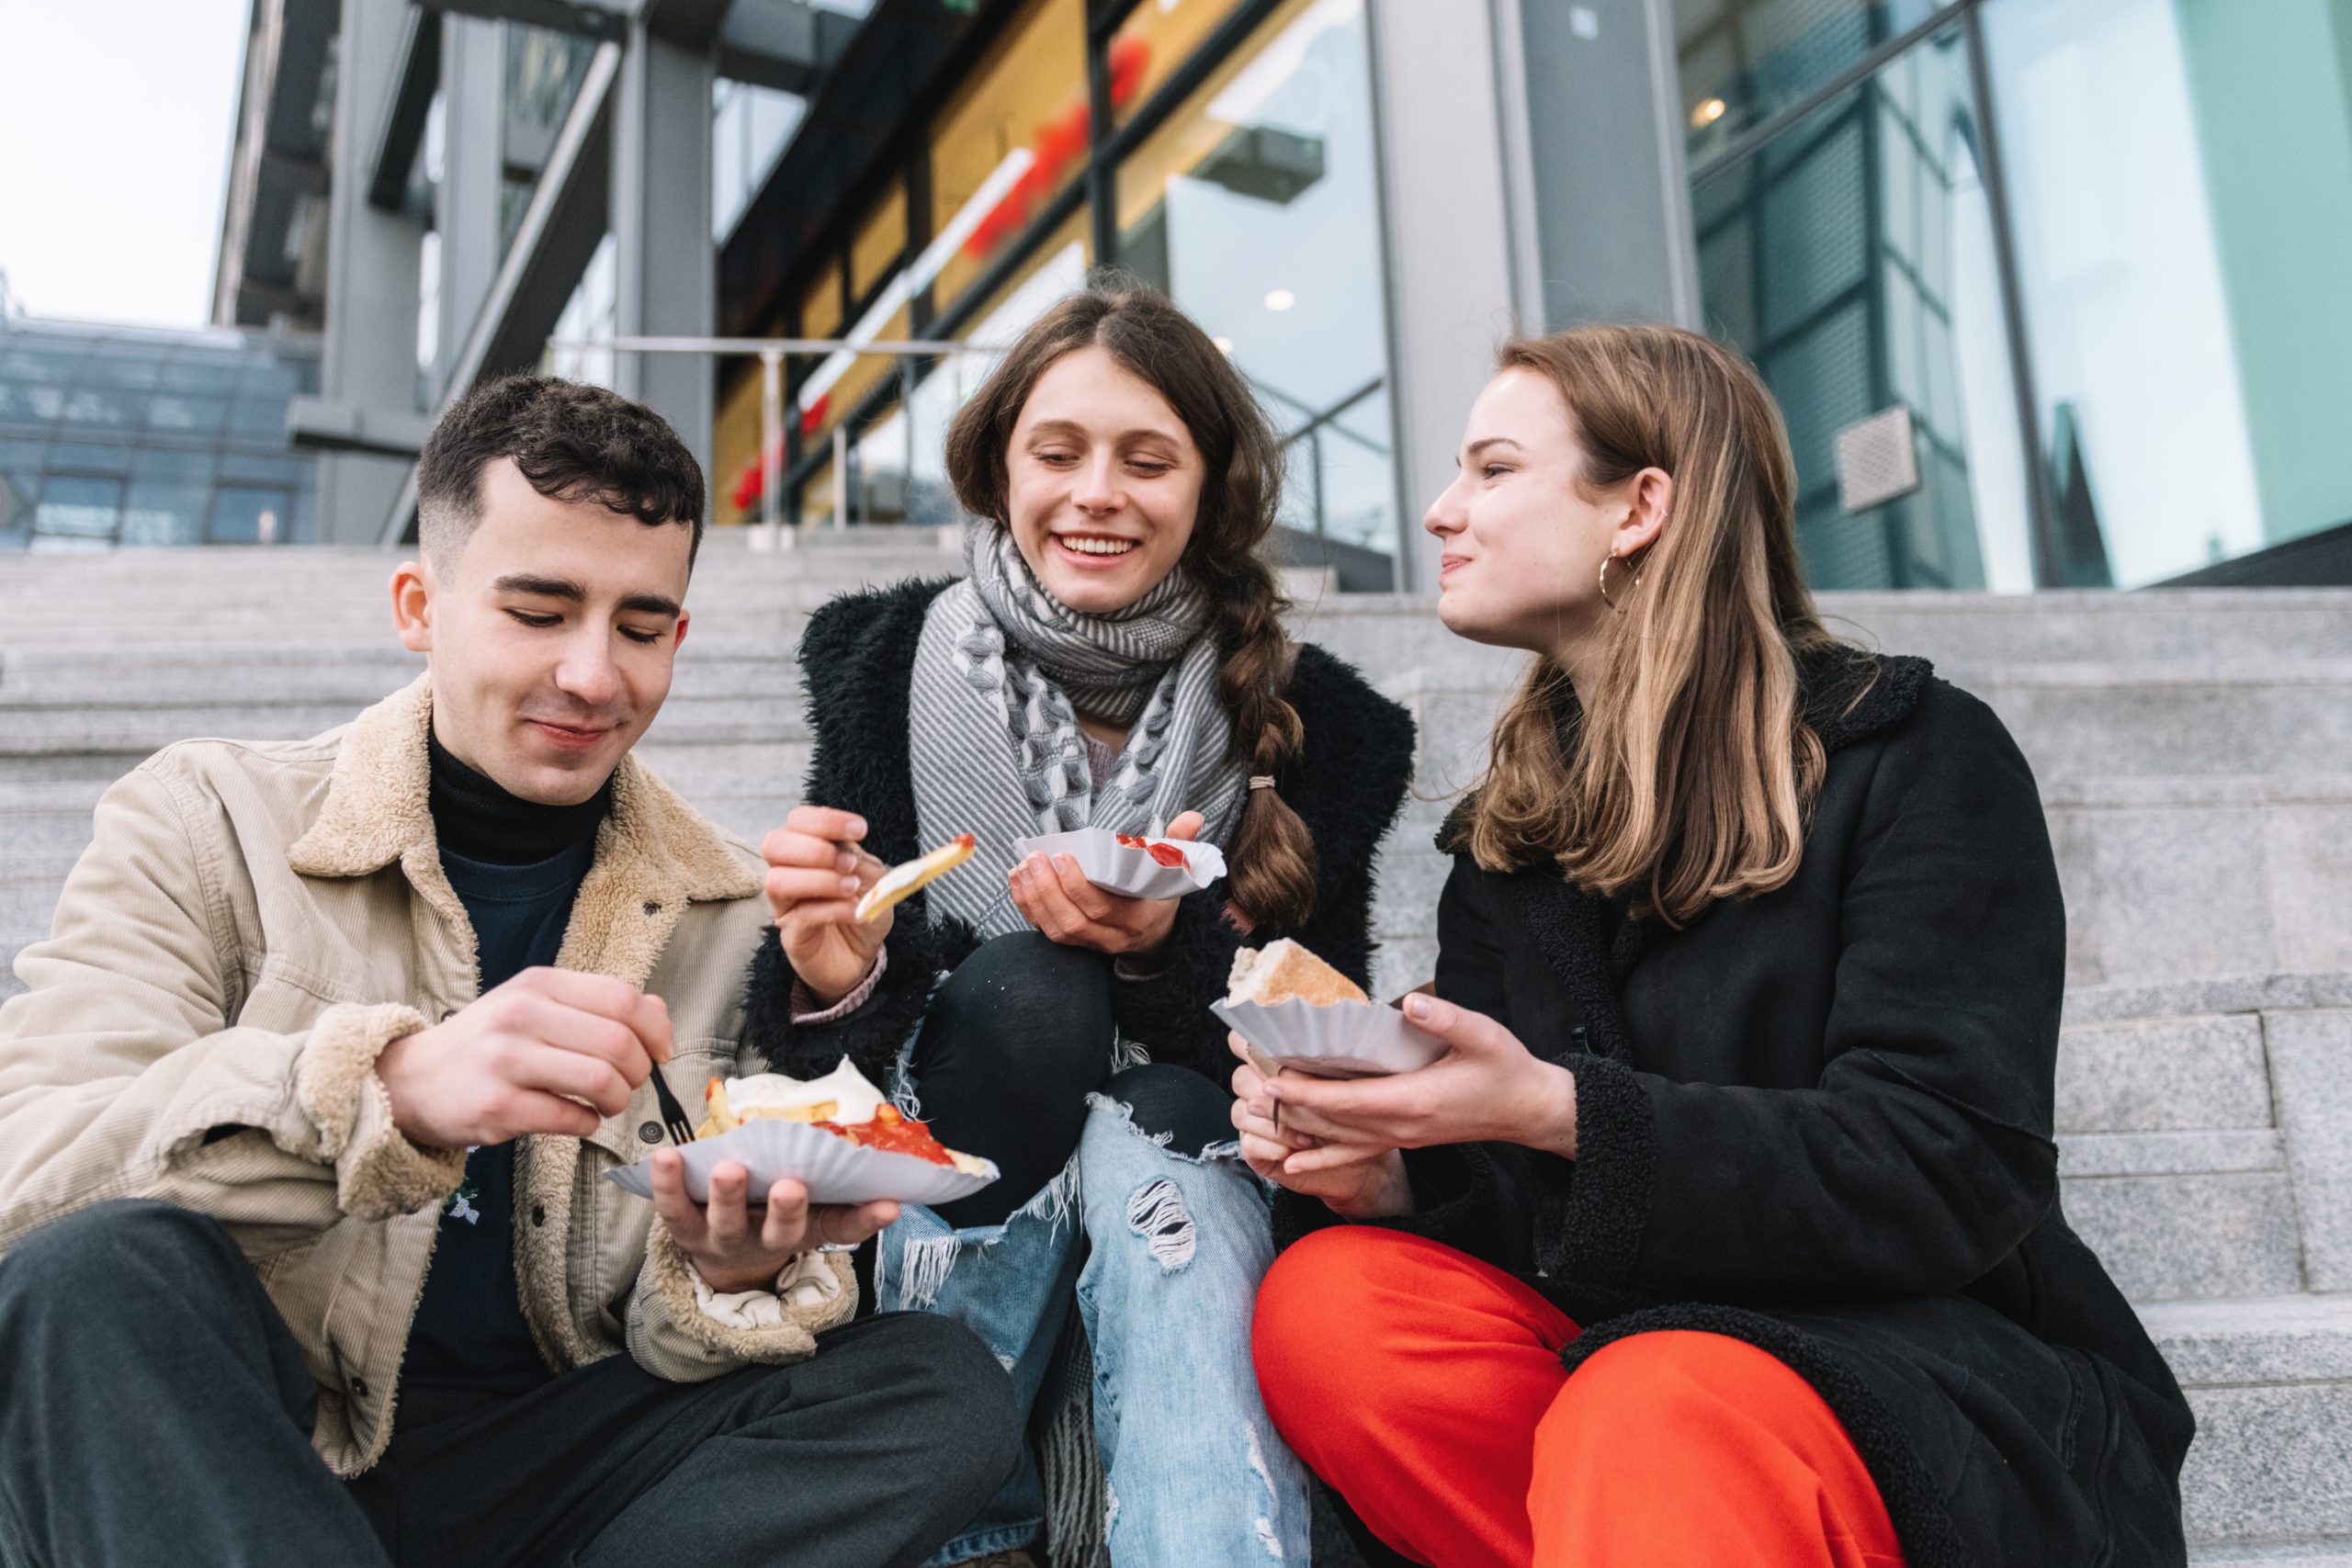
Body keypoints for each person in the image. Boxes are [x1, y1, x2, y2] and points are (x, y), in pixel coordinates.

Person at [0, 376, 1020, 1568]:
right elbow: (32, 1176)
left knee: (933, 1384)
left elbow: (676, 1344)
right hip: (250, 1438)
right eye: (539, 611)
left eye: (641, 628)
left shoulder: (737, 909)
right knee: (90, 1275)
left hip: (554, 1462)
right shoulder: (205, 817)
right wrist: (393, 1090)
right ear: (419, 606)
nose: (594, 676)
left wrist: (729, 1272)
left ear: (678, 638)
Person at [1233, 325, 2196, 1568]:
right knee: (1333, 1310)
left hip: (1917, 1359)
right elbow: (1524, 1203)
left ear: (1639, 507)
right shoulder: (1514, 832)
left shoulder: (1916, 756)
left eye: (1491, 470)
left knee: (1655, 1402)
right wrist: (1397, 1175)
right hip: (1628, 1364)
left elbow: (1946, 1168)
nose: (1438, 511)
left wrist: (1560, 1111)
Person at [749, 281, 1416, 1565]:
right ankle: (949, 1501)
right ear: (1001, 471)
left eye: (1146, 459)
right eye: (1058, 452)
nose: (1096, 493)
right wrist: (834, 977)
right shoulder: (880, 661)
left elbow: (1327, 1043)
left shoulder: (1331, 728)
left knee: (1156, 1108)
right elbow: (802, 1064)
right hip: (955, 1132)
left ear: (1208, 489)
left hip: (1194, 1144)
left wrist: (1163, 951)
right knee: (1032, 994)